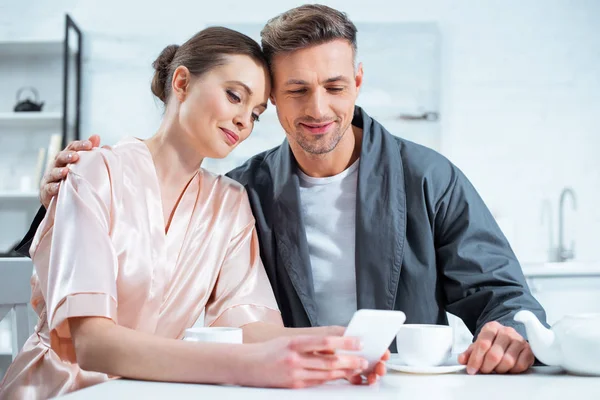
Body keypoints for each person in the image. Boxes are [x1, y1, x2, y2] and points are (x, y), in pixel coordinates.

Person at [16, 4, 547, 378]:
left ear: (357, 81)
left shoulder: (427, 177)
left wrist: (510, 331)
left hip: (387, 384)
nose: (318, 109)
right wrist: (58, 200)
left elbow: (503, 295)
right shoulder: (248, 189)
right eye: (295, 91)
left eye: (335, 87)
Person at [0, 26, 387, 400]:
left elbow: (247, 328)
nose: (244, 121)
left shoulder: (230, 201)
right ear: (182, 83)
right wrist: (245, 365)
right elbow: (92, 345)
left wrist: (338, 343)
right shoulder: (94, 172)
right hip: (60, 390)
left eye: (255, 113)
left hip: (147, 390)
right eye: (235, 96)